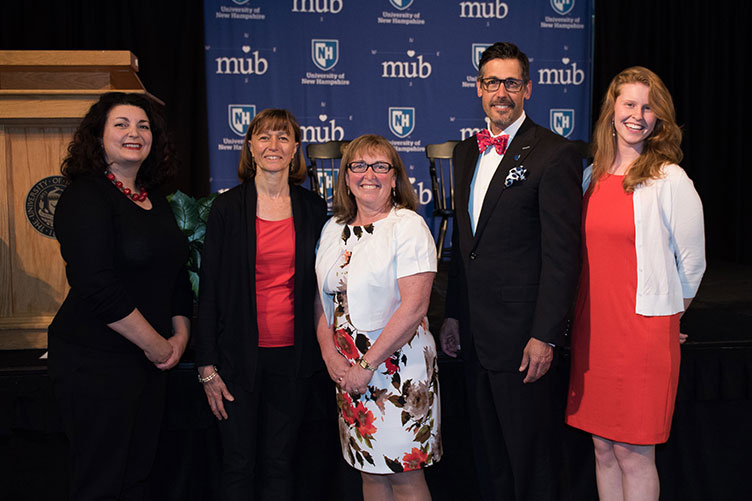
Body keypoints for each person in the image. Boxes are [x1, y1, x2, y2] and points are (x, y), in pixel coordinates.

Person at [439, 42, 582, 501]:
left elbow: (562, 256)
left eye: (512, 83)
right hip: (476, 341)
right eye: (492, 82)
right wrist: (454, 316)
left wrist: (546, 335)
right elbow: (465, 249)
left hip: (525, 344)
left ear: (528, 89)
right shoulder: (464, 153)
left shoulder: (554, 153)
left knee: (531, 468)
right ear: (479, 89)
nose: (502, 92)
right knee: (490, 465)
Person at [565, 66, 705, 500]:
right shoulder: (590, 177)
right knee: (602, 448)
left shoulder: (669, 179)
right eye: (629, 104)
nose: (638, 115)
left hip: (641, 336)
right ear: (612, 111)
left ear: (658, 118)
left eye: (648, 108)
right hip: (594, 334)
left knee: (634, 453)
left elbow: (693, 264)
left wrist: (667, 317)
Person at [48, 92, 192, 500]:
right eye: (122, 124)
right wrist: (158, 347)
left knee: (137, 478)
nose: (135, 133)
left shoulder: (155, 199)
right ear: (98, 136)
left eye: (143, 126)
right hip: (95, 363)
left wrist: (179, 337)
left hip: (150, 362)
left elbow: (176, 277)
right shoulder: (85, 197)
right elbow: (96, 285)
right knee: (101, 482)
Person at [194, 108, 328, 500]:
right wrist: (206, 366)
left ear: (295, 149)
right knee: (238, 465)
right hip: (236, 361)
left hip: (294, 360)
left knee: (280, 465)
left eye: (283, 137)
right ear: (250, 147)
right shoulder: (227, 208)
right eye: (264, 137)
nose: (274, 145)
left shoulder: (312, 209)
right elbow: (210, 289)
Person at [315, 134, 441, 501]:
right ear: (346, 176)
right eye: (359, 165)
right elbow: (322, 300)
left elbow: (415, 306)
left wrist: (367, 365)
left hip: (398, 372)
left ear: (395, 177)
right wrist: (329, 354)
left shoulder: (408, 226)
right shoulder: (332, 229)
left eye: (380, 166)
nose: (369, 174)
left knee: (403, 476)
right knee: (369, 473)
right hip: (347, 373)